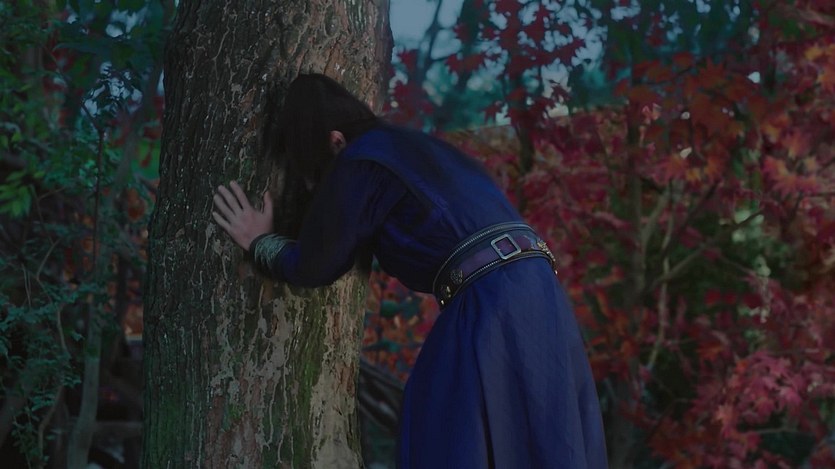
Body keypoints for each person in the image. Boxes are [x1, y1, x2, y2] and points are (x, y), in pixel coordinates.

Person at [212, 73, 608, 468]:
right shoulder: (420, 148)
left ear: (335, 141)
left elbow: (317, 265)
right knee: (539, 436)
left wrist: (260, 242)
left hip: (491, 302)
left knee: (445, 431)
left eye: (315, 173)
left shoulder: (360, 157)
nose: (316, 188)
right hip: (541, 293)